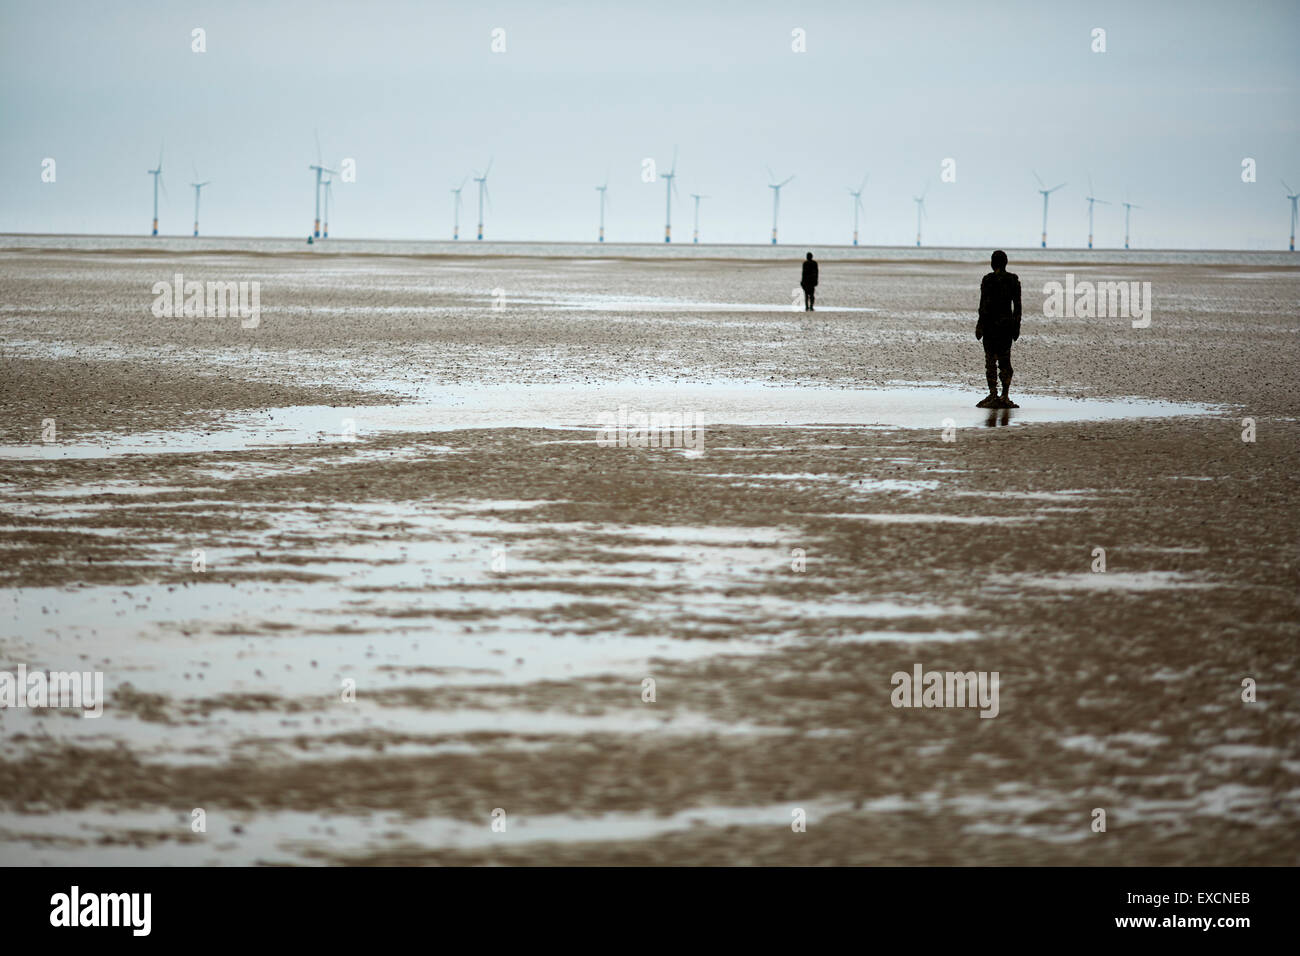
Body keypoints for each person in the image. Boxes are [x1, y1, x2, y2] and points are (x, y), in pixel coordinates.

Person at [975, 250, 1021, 408]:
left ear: (992, 263)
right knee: (1005, 361)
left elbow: (983, 306)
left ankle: (994, 393)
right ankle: (1004, 395)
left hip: (990, 326)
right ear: (1005, 263)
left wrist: (979, 326)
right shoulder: (1013, 280)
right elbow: (1018, 308)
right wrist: (1016, 326)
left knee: (990, 361)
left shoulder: (987, 280)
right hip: (1006, 327)